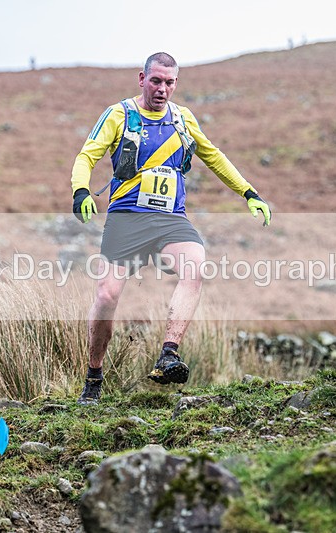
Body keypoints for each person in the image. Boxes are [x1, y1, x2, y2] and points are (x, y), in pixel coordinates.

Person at [70, 52, 271, 405]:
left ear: (176, 83)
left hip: (169, 218)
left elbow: (213, 155)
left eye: (170, 82)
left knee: (194, 267)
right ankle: (94, 377)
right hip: (127, 216)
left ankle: (168, 355)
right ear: (141, 79)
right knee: (107, 296)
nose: (162, 89)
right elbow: (87, 155)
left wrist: (249, 193)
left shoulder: (182, 118)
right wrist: (81, 190)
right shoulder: (120, 114)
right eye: (156, 81)